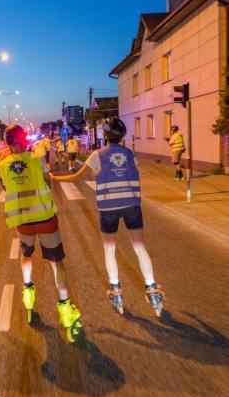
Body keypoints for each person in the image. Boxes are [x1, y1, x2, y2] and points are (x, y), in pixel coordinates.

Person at [51, 117, 164, 317]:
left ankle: (115, 291)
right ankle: (153, 290)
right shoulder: (130, 154)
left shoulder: (98, 155)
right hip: (132, 206)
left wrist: (56, 178)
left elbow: (79, 176)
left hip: (109, 208)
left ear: (106, 134)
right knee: (139, 246)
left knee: (109, 248)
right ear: (121, 136)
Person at [0, 124, 82, 342]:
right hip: (44, 218)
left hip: (22, 221)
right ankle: (65, 307)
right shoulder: (37, 159)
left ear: (8, 143)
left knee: (26, 257)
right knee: (56, 262)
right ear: (23, 140)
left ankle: (28, 294)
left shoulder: (3, 165)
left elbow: (6, 188)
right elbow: (48, 184)